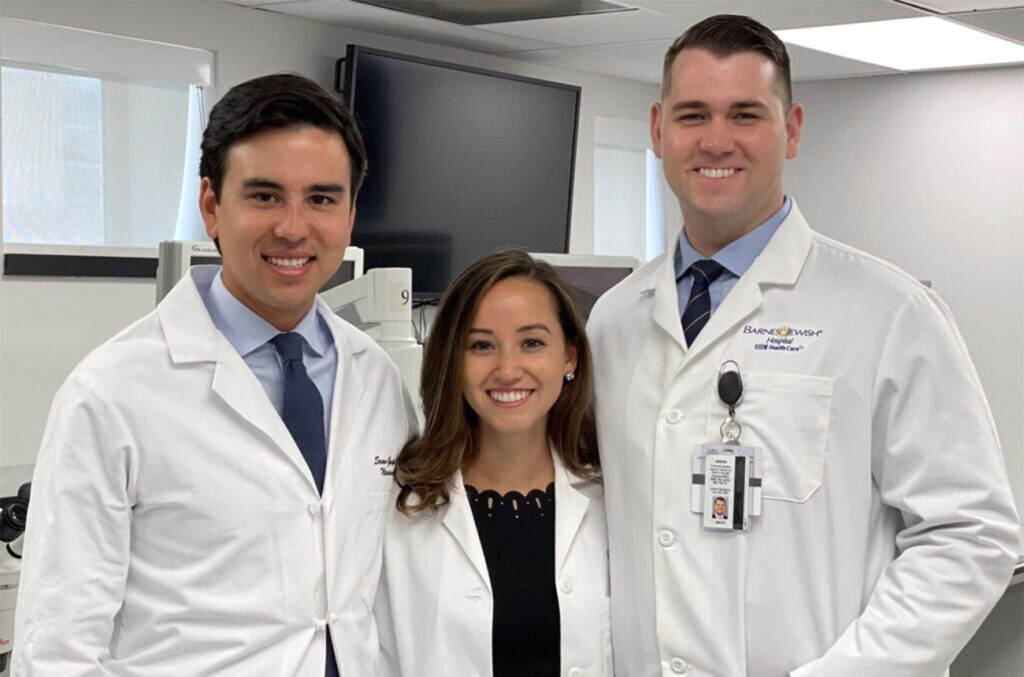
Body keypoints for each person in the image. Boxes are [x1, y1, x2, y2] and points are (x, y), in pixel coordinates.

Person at [587, 14, 1020, 677]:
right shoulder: (614, 319)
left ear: (791, 130)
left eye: (746, 115)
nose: (716, 140)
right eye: (693, 115)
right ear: (657, 131)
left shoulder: (889, 311)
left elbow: (971, 533)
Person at [13, 73, 417, 676]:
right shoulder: (112, 392)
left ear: (351, 215)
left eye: (321, 198)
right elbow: (57, 647)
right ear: (211, 207)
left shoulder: (378, 378)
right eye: (264, 196)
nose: (293, 227)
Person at [375, 250, 612, 676]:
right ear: (452, 359)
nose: (507, 369)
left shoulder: (610, 496)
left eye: (532, 343)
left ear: (570, 357)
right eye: (481, 345)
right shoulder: (402, 505)